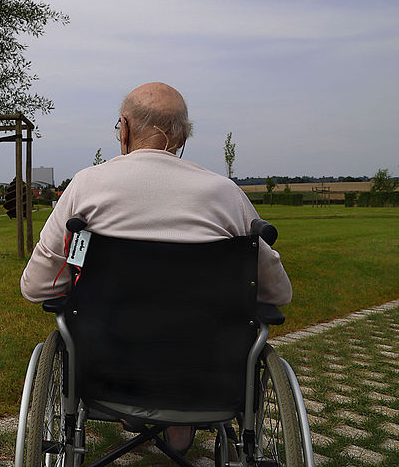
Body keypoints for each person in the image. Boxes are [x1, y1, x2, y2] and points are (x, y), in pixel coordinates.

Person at [19, 82, 292, 453]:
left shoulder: (86, 188)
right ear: (181, 137)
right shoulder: (226, 195)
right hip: (207, 378)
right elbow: (279, 293)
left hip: (108, 374)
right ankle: (180, 424)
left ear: (125, 129)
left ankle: (135, 406)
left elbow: (36, 287)